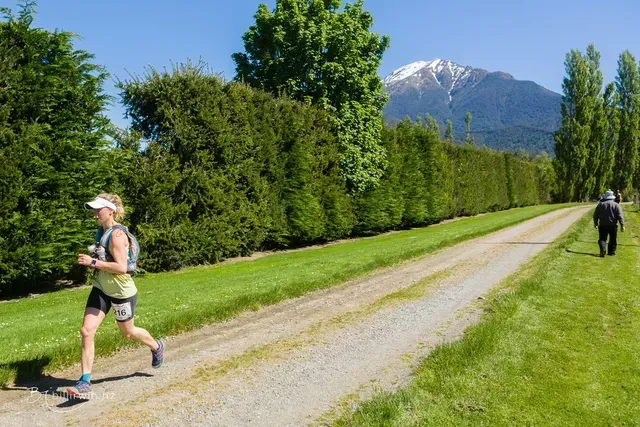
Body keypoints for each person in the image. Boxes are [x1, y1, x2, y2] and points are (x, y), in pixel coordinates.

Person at [67, 194, 165, 397]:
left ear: (110, 210)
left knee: (128, 333)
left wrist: (92, 262)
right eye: (93, 210)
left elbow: (121, 267)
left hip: (122, 293)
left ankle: (156, 346)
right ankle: (85, 381)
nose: (95, 214)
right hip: (102, 289)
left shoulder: (117, 236)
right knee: (86, 331)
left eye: (98, 210)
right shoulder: (101, 231)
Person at [594, 190, 624, 258]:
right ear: (612, 198)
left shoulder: (600, 205)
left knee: (602, 239)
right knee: (613, 239)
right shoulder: (616, 205)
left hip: (602, 225)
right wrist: (622, 225)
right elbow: (620, 215)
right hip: (613, 225)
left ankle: (603, 249)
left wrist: (595, 223)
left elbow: (596, 215)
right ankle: (611, 252)